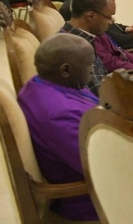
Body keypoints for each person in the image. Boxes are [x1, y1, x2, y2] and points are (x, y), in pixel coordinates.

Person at [18, 34, 101, 221]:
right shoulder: (59, 114)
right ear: (66, 70)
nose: (93, 70)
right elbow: (102, 166)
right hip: (91, 201)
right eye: (90, 66)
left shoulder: (41, 83)